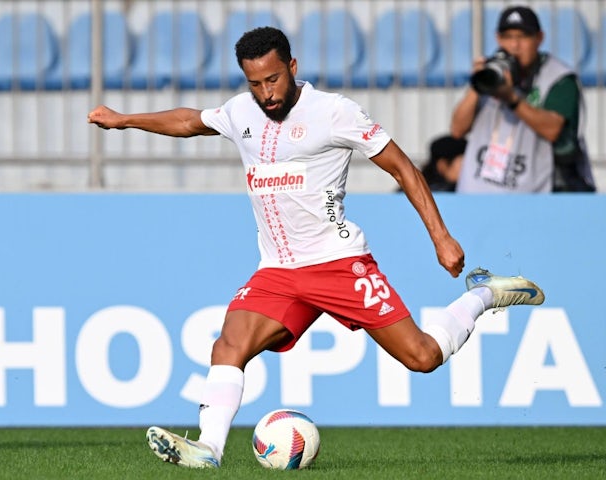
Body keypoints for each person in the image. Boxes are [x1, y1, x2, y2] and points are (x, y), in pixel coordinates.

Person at [88, 26, 545, 469]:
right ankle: (209, 448)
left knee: (422, 357)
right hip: (279, 272)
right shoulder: (241, 111)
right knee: (228, 346)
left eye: (273, 79)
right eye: (255, 84)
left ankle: (484, 293)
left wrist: (441, 237)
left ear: (292, 66)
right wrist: (124, 120)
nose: (266, 93)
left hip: (338, 264)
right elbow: (190, 121)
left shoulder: (335, 112)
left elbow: (403, 167)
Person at [450, 5, 595, 192]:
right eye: (508, 37)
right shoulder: (492, 71)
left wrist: (511, 98)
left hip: (530, 198)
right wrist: (478, 84)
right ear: (497, 39)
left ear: (539, 38)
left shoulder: (558, 78)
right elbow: (457, 129)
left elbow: (553, 129)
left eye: (522, 37)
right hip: (477, 194)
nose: (515, 46)